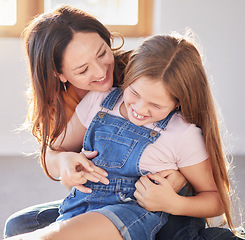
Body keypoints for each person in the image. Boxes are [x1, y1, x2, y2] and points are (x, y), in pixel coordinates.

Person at [3, 4, 243, 240]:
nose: (100, 72)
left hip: (147, 207)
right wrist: (63, 161)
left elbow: (210, 188)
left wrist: (180, 186)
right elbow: (53, 151)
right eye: (83, 69)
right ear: (60, 74)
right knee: (20, 225)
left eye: (101, 53)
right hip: (93, 203)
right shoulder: (87, 102)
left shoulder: (147, 70)